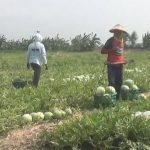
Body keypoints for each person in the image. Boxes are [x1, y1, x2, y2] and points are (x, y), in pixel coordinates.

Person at [101, 24, 127, 100]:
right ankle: (111, 99)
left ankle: (117, 99)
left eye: (120, 32)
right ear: (114, 32)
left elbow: (120, 53)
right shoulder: (110, 40)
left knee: (120, 82)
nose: (119, 33)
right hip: (111, 65)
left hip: (120, 65)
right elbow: (102, 51)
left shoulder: (122, 40)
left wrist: (123, 60)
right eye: (117, 32)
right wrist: (112, 50)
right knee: (112, 83)